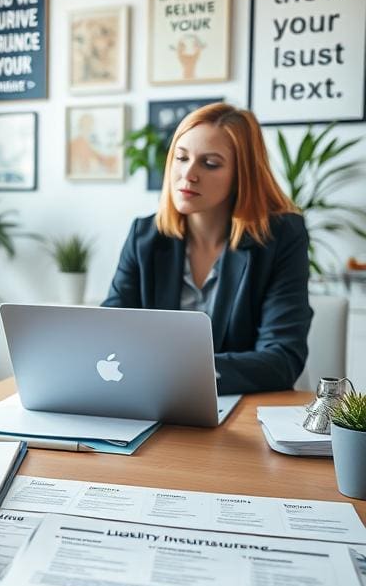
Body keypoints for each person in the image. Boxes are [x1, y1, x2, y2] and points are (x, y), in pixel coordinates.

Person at [103, 103, 312, 395]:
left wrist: (183, 372)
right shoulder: (145, 236)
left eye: (210, 163)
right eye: (181, 157)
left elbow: (282, 358)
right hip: (151, 400)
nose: (188, 174)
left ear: (242, 175)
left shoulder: (280, 237)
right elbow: (107, 333)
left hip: (239, 409)